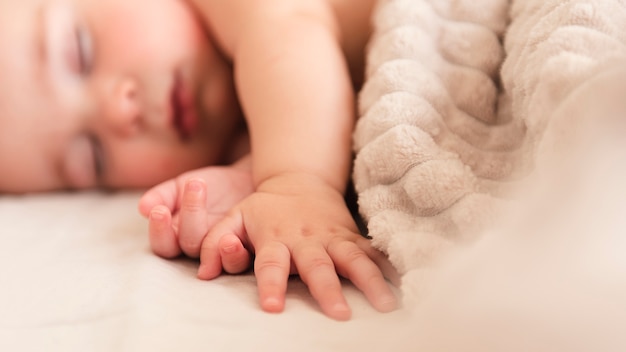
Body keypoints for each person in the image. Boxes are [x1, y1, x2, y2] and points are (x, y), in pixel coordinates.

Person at [0, 0, 397, 320]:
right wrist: (252, 186)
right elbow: (324, 130)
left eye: (79, 52)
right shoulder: (244, 134)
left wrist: (296, 182)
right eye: (92, 157)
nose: (118, 112)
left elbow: (285, 27)